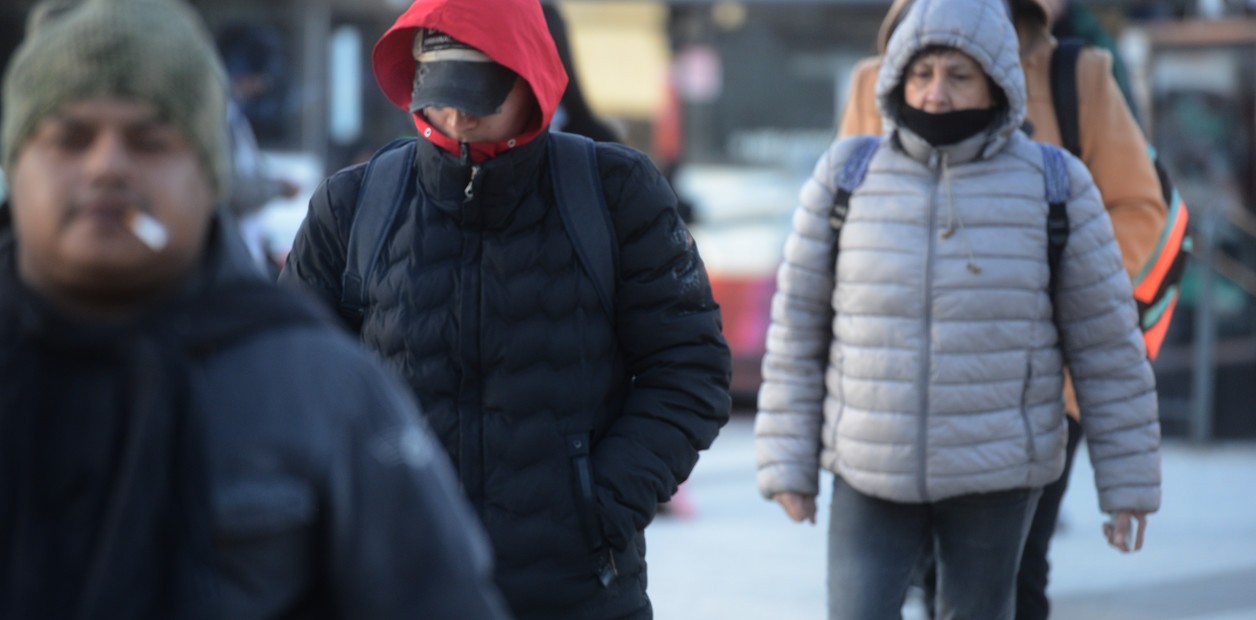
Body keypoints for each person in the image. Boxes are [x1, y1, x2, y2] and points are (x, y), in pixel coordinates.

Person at [0, 0, 511, 618]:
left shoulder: (319, 385)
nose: (107, 166)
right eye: (70, 138)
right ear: (16, 163)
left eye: (149, 140)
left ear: (211, 176)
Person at [278, 0, 733, 618]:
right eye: (439, 93)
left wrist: (600, 505)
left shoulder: (617, 191)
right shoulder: (354, 204)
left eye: (481, 93)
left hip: (575, 589)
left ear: (533, 81)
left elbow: (689, 370)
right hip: (393, 582)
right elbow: (289, 377)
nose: (459, 114)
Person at [754, 0, 1162, 617]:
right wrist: (788, 462)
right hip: (872, 459)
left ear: (997, 80)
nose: (936, 95)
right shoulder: (847, 176)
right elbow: (799, 327)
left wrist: (1126, 483)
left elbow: (1107, 343)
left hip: (999, 459)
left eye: (959, 77)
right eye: (921, 74)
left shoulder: (1058, 182)